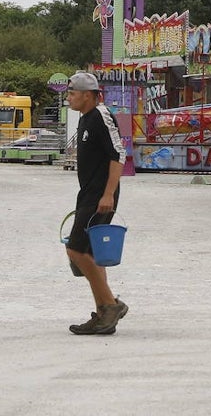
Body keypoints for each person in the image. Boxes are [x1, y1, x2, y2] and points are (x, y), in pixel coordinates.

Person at [64, 71, 129, 335]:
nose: (69, 98)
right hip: (88, 193)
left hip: (100, 195)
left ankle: (110, 305)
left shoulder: (101, 116)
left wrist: (108, 195)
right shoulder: (85, 119)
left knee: (76, 251)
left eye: (72, 93)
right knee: (89, 254)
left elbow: (118, 155)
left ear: (88, 95)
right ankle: (104, 310)